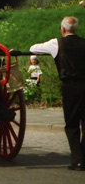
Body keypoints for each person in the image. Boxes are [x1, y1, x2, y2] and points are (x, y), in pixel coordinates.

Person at [30, 16, 85, 171]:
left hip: (70, 86)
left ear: (62, 29)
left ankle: (77, 159)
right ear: (77, 29)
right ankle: (83, 157)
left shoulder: (56, 44)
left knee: (72, 124)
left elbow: (33, 48)